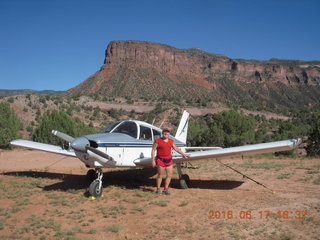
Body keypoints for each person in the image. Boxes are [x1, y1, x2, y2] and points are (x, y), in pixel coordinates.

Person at [151, 128, 190, 195]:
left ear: (169, 134)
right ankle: (158, 190)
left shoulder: (171, 141)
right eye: (164, 132)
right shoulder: (157, 141)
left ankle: (165, 189)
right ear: (162, 133)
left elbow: (176, 149)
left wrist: (183, 154)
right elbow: (153, 150)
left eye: (167, 132)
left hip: (169, 160)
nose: (166, 133)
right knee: (160, 175)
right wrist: (153, 160)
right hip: (160, 160)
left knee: (169, 175)